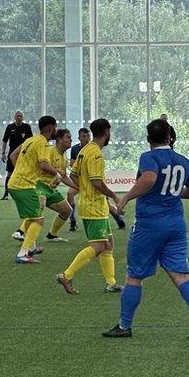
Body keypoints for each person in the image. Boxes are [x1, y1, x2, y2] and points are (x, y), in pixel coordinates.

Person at [103, 119, 189, 339]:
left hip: (149, 224)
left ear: (148, 139)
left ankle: (124, 326)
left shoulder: (149, 157)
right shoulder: (182, 160)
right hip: (176, 223)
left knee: (134, 275)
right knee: (179, 273)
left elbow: (150, 178)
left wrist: (124, 200)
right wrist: (174, 194)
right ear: (169, 137)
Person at [56, 118, 123, 294]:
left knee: (108, 243)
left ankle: (111, 282)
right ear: (106, 132)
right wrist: (114, 196)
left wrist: (86, 190)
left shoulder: (84, 151)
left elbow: (75, 175)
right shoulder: (95, 154)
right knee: (99, 246)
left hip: (94, 204)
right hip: (93, 207)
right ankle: (67, 275)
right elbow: (96, 182)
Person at [7, 115, 62, 264]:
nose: (56, 129)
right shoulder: (43, 143)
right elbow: (44, 165)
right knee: (38, 219)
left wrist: (22, 169)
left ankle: (31, 246)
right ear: (50, 127)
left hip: (15, 183)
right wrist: (57, 174)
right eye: (55, 126)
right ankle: (23, 254)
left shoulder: (30, 140)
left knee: (34, 215)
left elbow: (13, 155)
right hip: (24, 185)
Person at [37, 129, 80, 243]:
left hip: (50, 190)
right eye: (68, 137)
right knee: (39, 206)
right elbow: (42, 166)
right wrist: (56, 171)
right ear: (59, 139)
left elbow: (64, 177)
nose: (71, 139)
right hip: (39, 185)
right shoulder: (50, 151)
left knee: (67, 210)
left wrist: (78, 187)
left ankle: (52, 235)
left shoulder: (64, 158)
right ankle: (22, 232)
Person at [1, 111, 33, 200]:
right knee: (10, 173)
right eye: (17, 116)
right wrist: (3, 153)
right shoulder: (10, 127)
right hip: (12, 154)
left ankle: (26, 193)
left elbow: (31, 141)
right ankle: (6, 194)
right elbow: (4, 141)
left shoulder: (27, 127)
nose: (19, 117)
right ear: (14, 117)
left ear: (23, 117)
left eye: (21, 116)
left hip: (24, 154)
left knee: (25, 173)